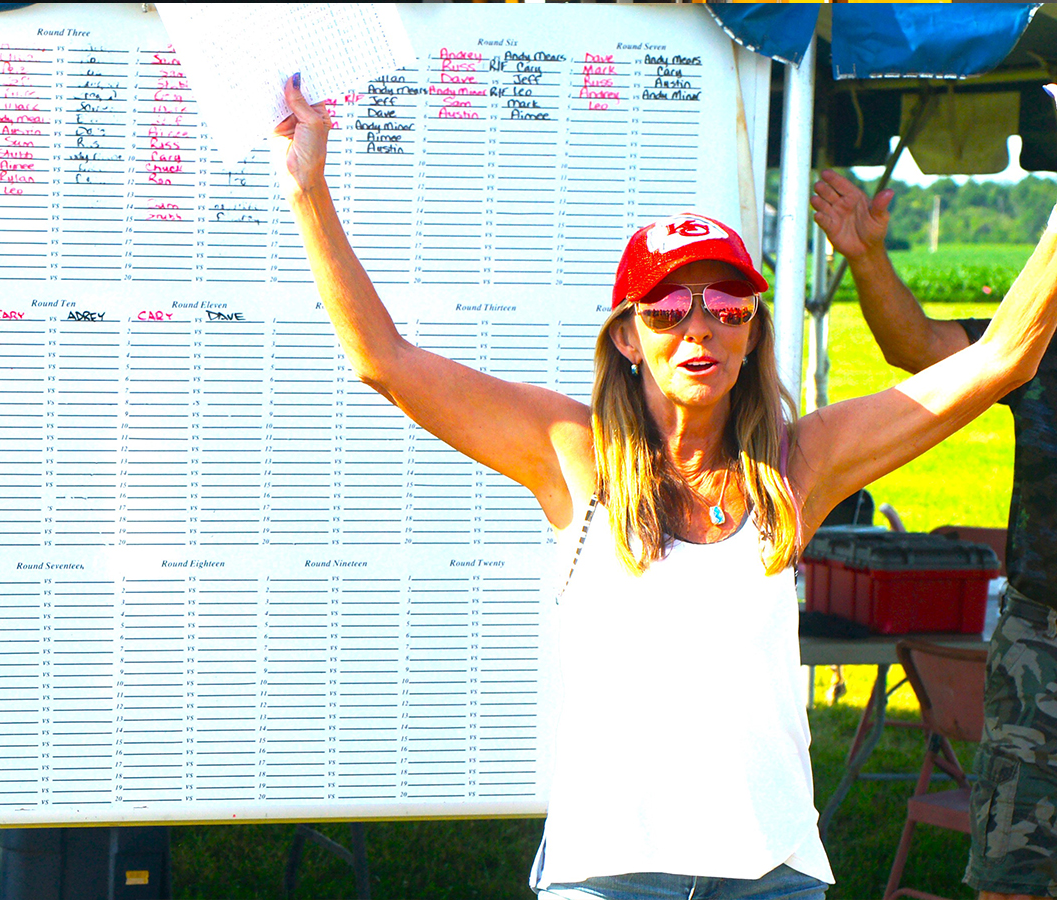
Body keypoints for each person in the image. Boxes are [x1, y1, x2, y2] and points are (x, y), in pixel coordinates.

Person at [276, 73, 1057, 900]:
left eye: (727, 305)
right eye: (668, 310)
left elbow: (1003, 356)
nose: (699, 328)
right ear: (627, 339)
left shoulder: (800, 465)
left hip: (772, 876)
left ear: (752, 333)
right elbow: (386, 363)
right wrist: (309, 190)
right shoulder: (571, 454)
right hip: (605, 876)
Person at [813, 167, 1057, 900]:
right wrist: (866, 256)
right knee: (1013, 878)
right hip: (1042, 640)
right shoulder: (1041, 332)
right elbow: (920, 348)